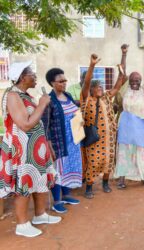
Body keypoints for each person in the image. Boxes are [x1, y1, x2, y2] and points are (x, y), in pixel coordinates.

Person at [0, 62, 61, 237]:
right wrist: (42, 104)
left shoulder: (25, 95)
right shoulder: (13, 95)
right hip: (22, 149)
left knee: (38, 180)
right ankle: (22, 224)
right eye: (31, 73)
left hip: (34, 148)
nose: (35, 75)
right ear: (22, 77)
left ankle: (40, 214)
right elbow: (25, 124)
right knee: (25, 183)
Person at [81, 50, 126, 199]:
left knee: (108, 161)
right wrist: (92, 66)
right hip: (95, 139)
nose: (100, 88)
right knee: (93, 163)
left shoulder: (106, 97)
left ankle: (105, 184)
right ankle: (89, 187)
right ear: (91, 89)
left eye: (101, 86)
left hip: (109, 139)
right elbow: (86, 83)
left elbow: (118, 85)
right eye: (97, 87)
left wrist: (121, 71)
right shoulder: (87, 99)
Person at [114, 47, 144, 188]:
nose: (134, 82)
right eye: (132, 79)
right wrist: (124, 54)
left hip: (140, 127)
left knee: (142, 151)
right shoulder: (125, 89)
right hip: (126, 126)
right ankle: (121, 179)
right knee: (124, 152)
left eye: (137, 80)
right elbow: (122, 71)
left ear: (140, 80)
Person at [42, 68, 83, 213]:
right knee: (58, 170)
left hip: (73, 141)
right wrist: (50, 146)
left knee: (68, 168)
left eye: (65, 80)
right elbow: (45, 125)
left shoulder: (68, 95)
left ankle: (66, 195)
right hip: (59, 142)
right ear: (52, 83)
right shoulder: (49, 100)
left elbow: (74, 112)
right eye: (61, 81)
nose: (64, 83)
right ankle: (57, 201)